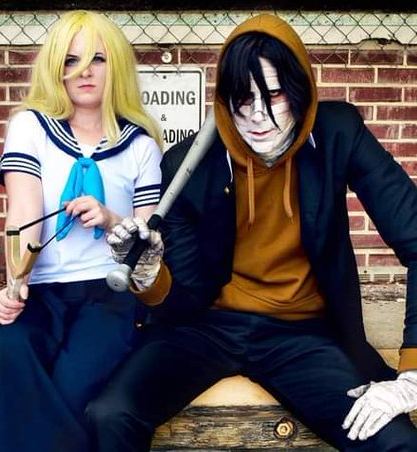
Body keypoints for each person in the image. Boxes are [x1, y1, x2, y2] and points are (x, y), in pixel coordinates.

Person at [86, 13, 417, 451]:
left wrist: (413, 372)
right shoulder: (187, 166)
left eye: (274, 94)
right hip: (208, 327)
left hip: (302, 333)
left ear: (299, 89)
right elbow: (184, 299)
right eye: (243, 98)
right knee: (110, 414)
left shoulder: (338, 132)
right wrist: (149, 276)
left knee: (396, 441)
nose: (258, 115)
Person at [0, 10, 163, 452]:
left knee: (71, 386)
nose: (84, 71)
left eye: (97, 59)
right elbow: (23, 215)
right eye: (71, 60)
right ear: (55, 68)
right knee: (8, 353)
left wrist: (112, 220)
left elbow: (147, 247)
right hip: (41, 290)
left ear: (117, 66)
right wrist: (14, 286)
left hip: (109, 296)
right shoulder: (30, 127)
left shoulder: (141, 146)